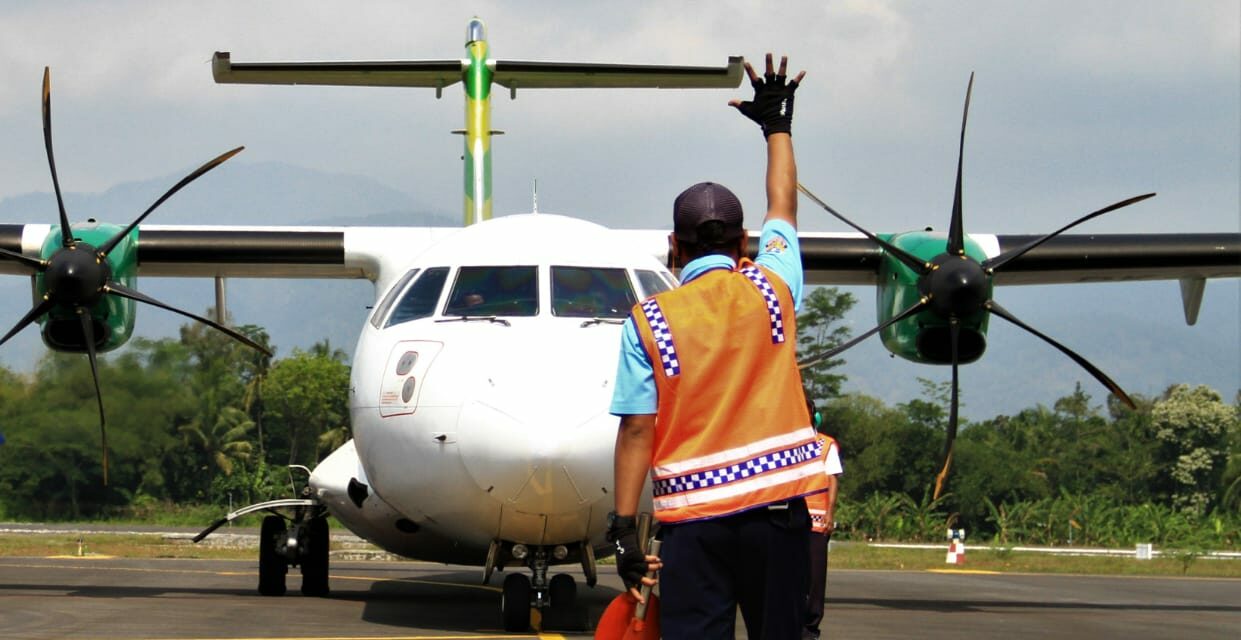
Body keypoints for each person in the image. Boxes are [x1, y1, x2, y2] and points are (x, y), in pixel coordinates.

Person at [608, 53, 827, 639]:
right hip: (777, 516)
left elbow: (635, 429)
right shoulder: (774, 284)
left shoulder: (649, 320)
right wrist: (777, 127)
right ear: (745, 241)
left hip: (693, 526)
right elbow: (784, 204)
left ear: (672, 246)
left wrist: (625, 531)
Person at [803, 395, 843, 640]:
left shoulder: (825, 444)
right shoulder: (786, 444)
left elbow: (833, 477)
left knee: (815, 579)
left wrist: (829, 512)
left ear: (813, 414)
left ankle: (809, 630)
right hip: (787, 522)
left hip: (816, 522)